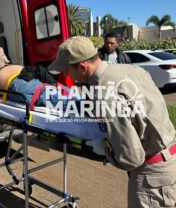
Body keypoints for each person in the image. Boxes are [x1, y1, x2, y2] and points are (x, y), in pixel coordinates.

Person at [48, 36, 176, 208]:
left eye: (67, 70)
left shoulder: (104, 93)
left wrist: (104, 150)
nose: (66, 75)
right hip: (171, 159)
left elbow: (132, 158)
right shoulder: (130, 70)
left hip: (153, 177)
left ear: (82, 66)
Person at [0, 64, 73, 110]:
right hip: (16, 83)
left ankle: (83, 101)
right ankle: (83, 104)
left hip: (27, 75)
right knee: (47, 94)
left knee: (54, 90)